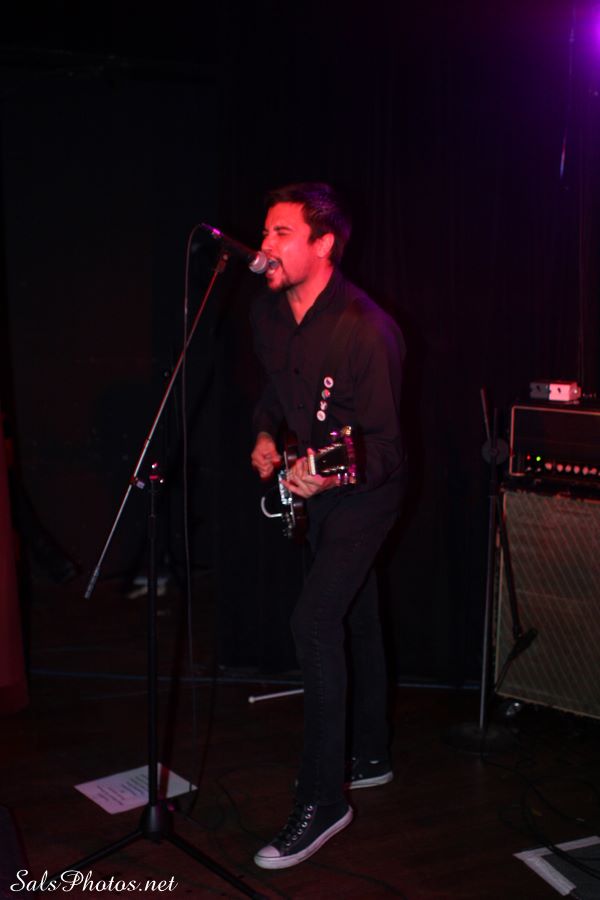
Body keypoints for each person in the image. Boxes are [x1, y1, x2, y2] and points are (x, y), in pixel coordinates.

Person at [249, 182, 406, 870]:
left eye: (281, 233)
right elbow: (275, 388)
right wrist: (266, 434)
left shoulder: (368, 330)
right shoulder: (269, 314)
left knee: (313, 623)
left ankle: (323, 801)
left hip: (368, 497)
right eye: (265, 232)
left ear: (324, 245)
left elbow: (385, 449)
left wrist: (329, 475)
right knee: (356, 616)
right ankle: (370, 755)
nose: (264, 246)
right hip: (319, 492)